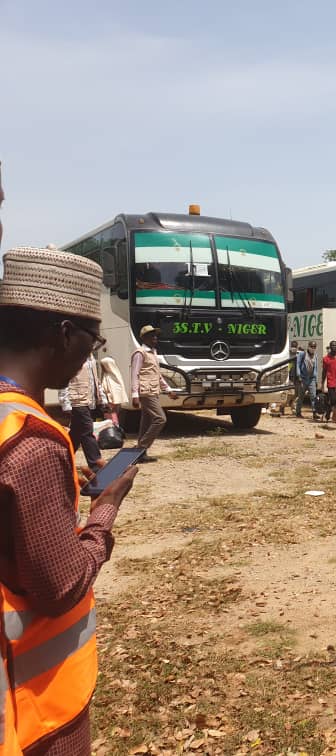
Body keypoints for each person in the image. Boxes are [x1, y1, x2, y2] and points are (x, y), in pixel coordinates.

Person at [0, 246, 138, 755]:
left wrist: (63, 489)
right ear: (63, 334)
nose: (90, 352)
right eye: (92, 339)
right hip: (36, 704)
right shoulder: (31, 440)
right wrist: (106, 509)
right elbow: (60, 585)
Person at [59, 347, 109, 474]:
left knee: (76, 434)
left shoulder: (91, 358)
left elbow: (95, 381)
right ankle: (96, 464)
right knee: (87, 430)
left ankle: (62, 458)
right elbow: (64, 381)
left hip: (87, 400)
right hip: (77, 401)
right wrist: (65, 403)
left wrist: (101, 398)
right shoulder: (73, 358)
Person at [131, 325, 175, 460]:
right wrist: (134, 394)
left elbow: (158, 375)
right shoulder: (140, 353)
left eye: (156, 335)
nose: (155, 338)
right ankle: (141, 447)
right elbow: (134, 374)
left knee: (146, 422)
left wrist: (168, 390)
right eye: (152, 336)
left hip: (153, 390)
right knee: (160, 419)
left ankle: (141, 455)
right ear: (144, 338)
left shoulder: (153, 352)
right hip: (146, 391)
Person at [321, 341, 336, 423]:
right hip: (331, 383)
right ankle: (328, 412)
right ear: (330, 347)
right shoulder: (326, 359)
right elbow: (324, 371)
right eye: (332, 345)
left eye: (335, 345)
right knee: (333, 400)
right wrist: (322, 383)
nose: (334, 347)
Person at [295, 341, 319, 419]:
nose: (313, 348)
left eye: (314, 347)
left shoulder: (315, 355)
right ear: (308, 346)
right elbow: (298, 365)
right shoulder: (302, 354)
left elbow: (315, 368)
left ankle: (315, 413)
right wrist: (299, 376)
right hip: (303, 378)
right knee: (301, 396)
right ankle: (298, 412)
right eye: (311, 346)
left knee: (313, 396)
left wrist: (316, 380)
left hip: (311, 379)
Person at [283, 341, 300, 416]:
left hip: (297, 377)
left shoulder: (299, 355)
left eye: (295, 346)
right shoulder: (287, 355)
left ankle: (294, 409)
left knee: (297, 395)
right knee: (291, 394)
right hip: (290, 377)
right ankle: (282, 406)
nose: (294, 348)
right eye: (293, 346)